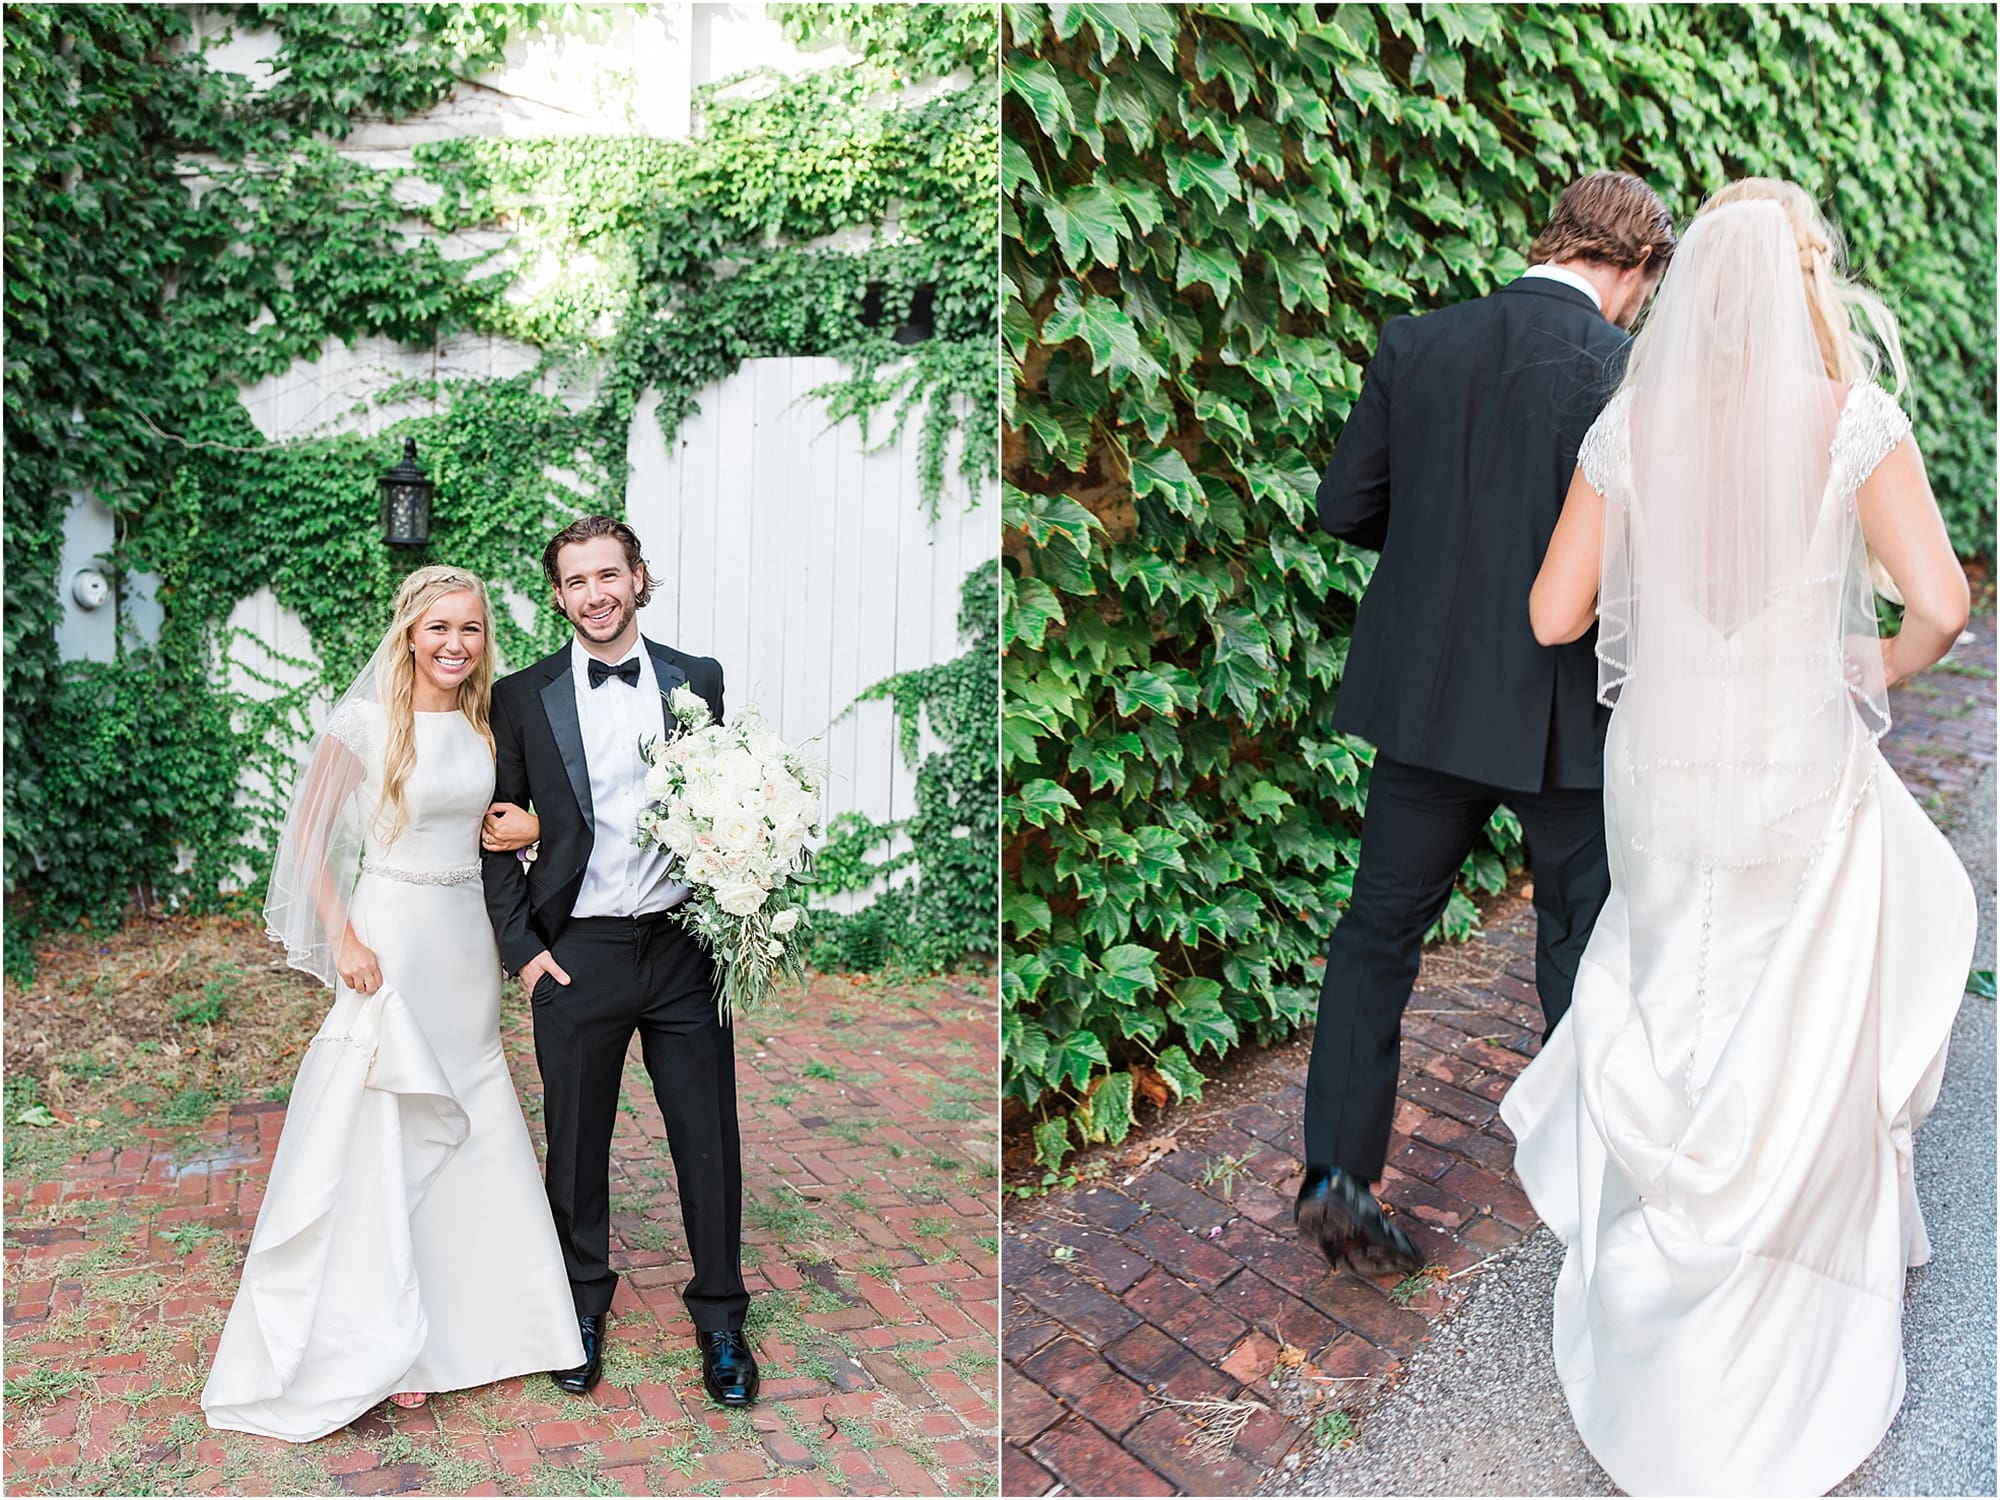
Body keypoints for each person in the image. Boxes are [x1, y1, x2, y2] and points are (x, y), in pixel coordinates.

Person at [1503, 179, 1974, 1495]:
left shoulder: (1630, 426)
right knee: (1793, 1032)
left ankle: (1657, 1341)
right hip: (1791, 764)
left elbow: (1554, 615)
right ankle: (1780, 1345)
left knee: (1672, 998)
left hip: (1659, 767)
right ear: (1804, 282)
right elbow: (1938, 606)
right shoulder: (1851, 421)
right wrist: (1859, 654)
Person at [1298, 172, 1674, 1272]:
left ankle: (1334, 1173)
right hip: (1562, 716)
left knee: (1375, 935)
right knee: (1576, 939)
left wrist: (1442, 561)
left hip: (1422, 704)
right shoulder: (1619, 372)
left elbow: (1342, 505)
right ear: (1633, 268)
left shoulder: (1417, 343)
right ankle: (1592, 1180)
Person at [203, 565, 583, 1441]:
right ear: (409, 630)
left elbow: (510, 821)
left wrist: (524, 830)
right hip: (392, 931)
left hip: (465, 935)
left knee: (476, 1093)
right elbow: (305, 836)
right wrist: (343, 936)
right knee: (390, 1109)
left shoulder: (491, 724)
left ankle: (505, 1316)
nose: (455, 644)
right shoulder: (367, 724)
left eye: (472, 630)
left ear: (487, 639)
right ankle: (393, 1337)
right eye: (439, 627)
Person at [480, 515, 758, 1407]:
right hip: (579, 950)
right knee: (576, 1145)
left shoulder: (697, 679)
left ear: (640, 577)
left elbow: (728, 802)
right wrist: (524, 955)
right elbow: (493, 833)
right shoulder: (523, 696)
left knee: (708, 1140)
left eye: (609, 575)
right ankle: (579, 1308)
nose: (594, 595)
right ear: (557, 596)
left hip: (681, 946)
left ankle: (721, 1319)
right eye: (575, 582)